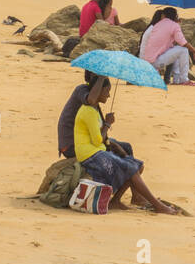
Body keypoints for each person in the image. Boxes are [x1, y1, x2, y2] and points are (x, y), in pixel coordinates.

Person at [74, 76, 175, 214]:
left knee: (137, 166)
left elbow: (100, 140)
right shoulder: (89, 111)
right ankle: (158, 206)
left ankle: (116, 200)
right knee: (131, 168)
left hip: (97, 151)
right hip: (90, 155)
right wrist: (108, 124)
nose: (109, 95)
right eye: (107, 91)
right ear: (99, 91)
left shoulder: (95, 110)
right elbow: (97, 140)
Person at [141, 6, 195, 86]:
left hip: (149, 62)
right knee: (183, 50)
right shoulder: (174, 25)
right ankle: (184, 79)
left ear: (164, 15)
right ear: (174, 16)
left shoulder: (158, 24)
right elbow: (183, 42)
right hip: (156, 63)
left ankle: (177, 80)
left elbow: (169, 43)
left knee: (175, 51)